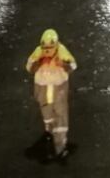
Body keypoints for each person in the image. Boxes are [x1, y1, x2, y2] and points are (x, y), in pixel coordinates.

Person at [25, 29, 78, 159]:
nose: (47, 50)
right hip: (42, 85)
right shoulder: (38, 52)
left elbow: (73, 65)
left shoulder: (62, 51)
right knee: (46, 109)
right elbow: (29, 67)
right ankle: (48, 128)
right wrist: (39, 62)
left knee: (60, 112)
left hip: (59, 85)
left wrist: (63, 64)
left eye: (50, 47)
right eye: (45, 47)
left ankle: (60, 144)